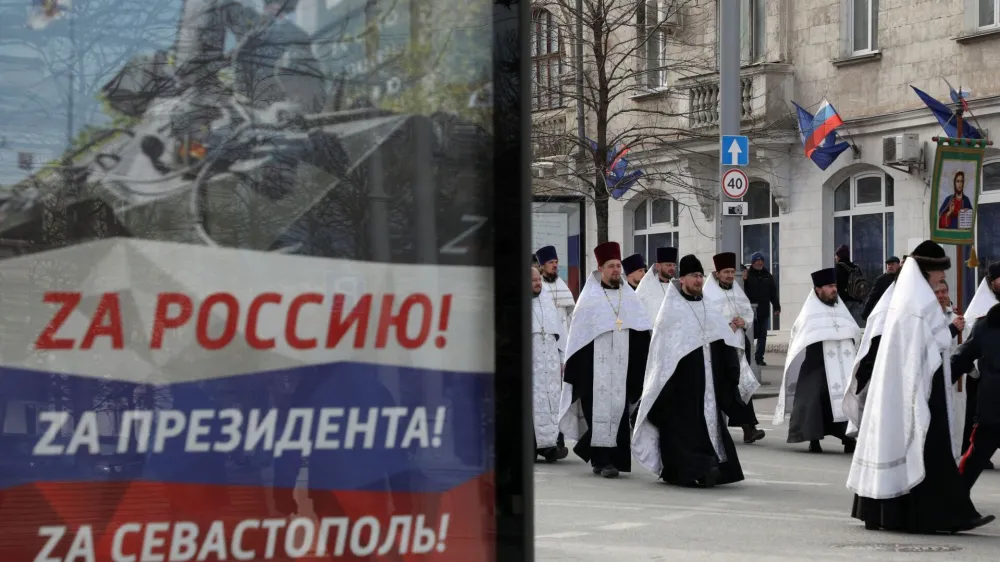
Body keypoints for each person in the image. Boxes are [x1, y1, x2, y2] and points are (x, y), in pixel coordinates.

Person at [848, 240, 994, 534]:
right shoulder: (912, 309)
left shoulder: (915, 305)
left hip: (923, 387)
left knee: (931, 453)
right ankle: (948, 515)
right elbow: (926, 347)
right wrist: (950, 329)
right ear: (925, 275)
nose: (942, 284)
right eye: (939, 279)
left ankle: (931, 514)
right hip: (917, 392)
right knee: (931, 452)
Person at [631, 255, 749, 488]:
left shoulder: (708, 306)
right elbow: (662, 355)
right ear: (682, 279)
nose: (698, 280)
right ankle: (694, 470)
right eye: (694, 276)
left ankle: (711, 466)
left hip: (708, 387)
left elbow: (721, 341)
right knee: (683, 432)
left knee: (710, 426)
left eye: (700, 276)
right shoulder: (671, 311)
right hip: (680, 388)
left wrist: (729, 371)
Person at [559, 242, 652, 478]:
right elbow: (579, 338)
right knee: (597, 415)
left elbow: (641, 332)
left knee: (619, 413)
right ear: (600, 268)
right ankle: (601, 461)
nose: (615, 270)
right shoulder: (589, 299)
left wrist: (640, 365)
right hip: (594, 372)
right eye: (611, 266)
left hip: (622, 369)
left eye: (618, 266)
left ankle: (616, 460)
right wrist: (580, 373)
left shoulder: (630, 298)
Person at [773, 268, 859, 453]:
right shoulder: (809, 312)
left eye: (835, 285)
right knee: (814, 400)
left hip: (841, 365)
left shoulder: (841, 309)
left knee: (844, 397)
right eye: (830, 286)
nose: (834, 289)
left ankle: (848, 438)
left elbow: (852, 330)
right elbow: (800, 335)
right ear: (818, 289)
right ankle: (813, 438)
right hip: (817, 365)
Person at [704, 252, 765, 444]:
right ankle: (748, 427)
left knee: (742, 386)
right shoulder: (708, 293)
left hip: (738, 345)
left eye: (732, 272)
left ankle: (749, 428)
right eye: (726, 272)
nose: (730, 275)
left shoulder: (736, 290)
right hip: (719, 347)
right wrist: (725, 327)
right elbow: (705, 320)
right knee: (731, 389)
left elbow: (747, 313)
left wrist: (743, 322)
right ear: (717, 273)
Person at [953, 303, 1000, 489]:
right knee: (972, 463)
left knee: (972, 462)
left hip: (991, 409)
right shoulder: (986, 324)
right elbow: (961, 358)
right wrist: (937, 385)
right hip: (993, 410)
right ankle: (956, 505)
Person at [957, 262, 1000, 465]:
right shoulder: (980, 312)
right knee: (979, 422)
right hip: (982, 376)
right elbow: (968, 348)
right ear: (992, 283)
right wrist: (973, 372)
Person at [532, 266, 568, 462]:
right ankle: (532, 447)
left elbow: (560, 334)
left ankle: (552, 446)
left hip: (551, 364)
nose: (538, 283)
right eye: (533, 281)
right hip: (532, 365)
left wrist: (562, 359)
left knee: (553, 403)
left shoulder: (547, 301)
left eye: (539, 280)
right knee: (533, 406)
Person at [937, 279, 968, 455]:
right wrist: (952, 329)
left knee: (957, 422)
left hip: (957, 383)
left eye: (944, 291)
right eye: (937, 292)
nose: (941, 295)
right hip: (939, 381)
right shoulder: (928, 320)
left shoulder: (958, 319)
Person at [743, 252, 780, 366]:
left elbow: (773, 293)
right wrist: (743, 280)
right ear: (753, 262)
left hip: (763, 310)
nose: (759, 263)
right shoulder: (747, 275)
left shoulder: (767, 276)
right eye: (757, 261)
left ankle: (759, 358)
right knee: (750, 335)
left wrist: (776, 307)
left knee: (762, 336)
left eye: (761, 261)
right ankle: (747, 358)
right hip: (749, 311)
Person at [536, 245, 576, 333]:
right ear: (542, 265)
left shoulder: (562, 285)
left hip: (564, 332)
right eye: (551, 262)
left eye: (556, 262)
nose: (555, 265)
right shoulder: (538, 285)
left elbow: (571, 313)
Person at [635, 247, 677, 321]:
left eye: (674, 265)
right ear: (658, 266)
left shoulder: (676, 288)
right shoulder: (645, 288)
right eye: (668, 265)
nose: (672, 268)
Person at [834, 245, 868, 327]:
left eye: (836, 255)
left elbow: (835, 285)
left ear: (839, 256)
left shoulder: (838, 267)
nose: (835, 257)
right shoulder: (856, 267)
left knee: (843, 327)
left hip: (844, 301)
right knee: (858, 327)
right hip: (857, 301)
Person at [861, 256, 900, 321]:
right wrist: (865, 313)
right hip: (886, 312)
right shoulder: (881, 279)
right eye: (888, 264)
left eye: (892, 264)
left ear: (898, 265)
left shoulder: (902, 278)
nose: (890, 266)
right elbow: (872, 297)